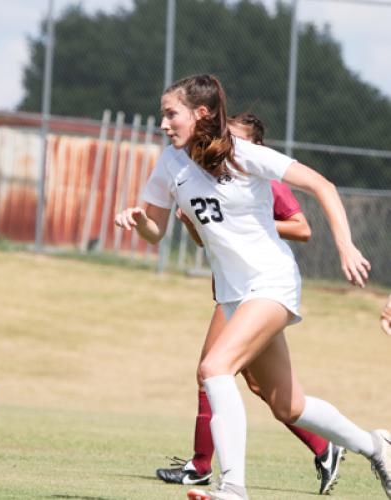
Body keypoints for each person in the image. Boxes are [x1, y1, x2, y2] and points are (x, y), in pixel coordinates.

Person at [114, 74, 391, 500]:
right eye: (163, 115)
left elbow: (323, 186)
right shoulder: (170, 163)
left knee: (214, 369)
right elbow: (156, 231)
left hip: (272, 282)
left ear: (200, 114)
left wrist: (346, 245)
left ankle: (233, 488)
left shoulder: (245, 154)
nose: (164, 124)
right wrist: (141, 222)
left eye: (171, 114)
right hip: (232, 294)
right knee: (288, 405)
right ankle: (378, 448)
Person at [155, 113, 346, 496]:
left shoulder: (261, 177)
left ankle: (209, 470)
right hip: (230, 289)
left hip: (260, 289)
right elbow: (202, 236)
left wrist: (245, 220)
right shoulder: (206, 172)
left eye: (236, 139)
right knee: (259, 387)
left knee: (213, 370)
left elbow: (302, 228)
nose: (223, 145)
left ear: (255, 146)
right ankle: (329, 445)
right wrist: (194, 221)